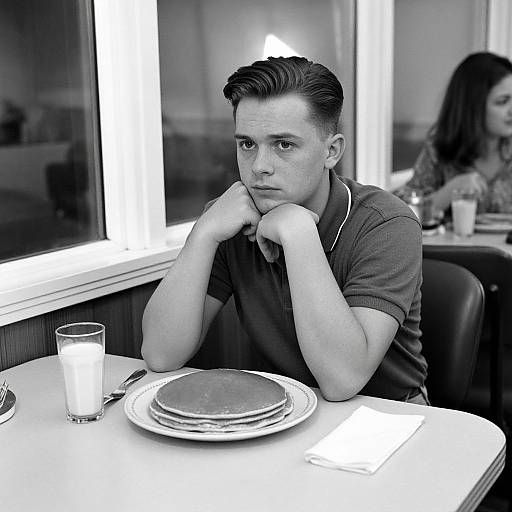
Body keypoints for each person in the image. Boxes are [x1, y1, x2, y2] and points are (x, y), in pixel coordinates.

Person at [142, 56, 427, 404]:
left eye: (284, 145)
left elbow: (343, 380)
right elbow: (160, 354)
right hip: (283, 413)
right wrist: (203, 235)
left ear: (331, 151)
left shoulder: (386, 223)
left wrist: (298, 235)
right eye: (247, 144)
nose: (260, 167)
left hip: (391, 419)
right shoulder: (231, 218)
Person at [398, 52, 512, 215]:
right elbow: (399, 215)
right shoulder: (439, 147)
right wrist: (449, 192)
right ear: (473, 106)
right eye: (502, 102)